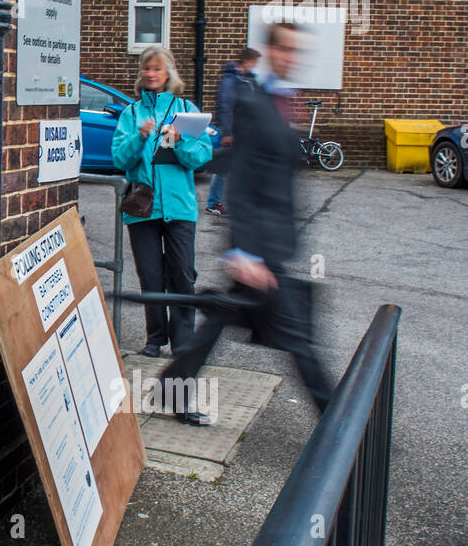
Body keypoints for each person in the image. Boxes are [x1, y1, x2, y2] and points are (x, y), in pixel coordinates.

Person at [157, 21, 334, 425]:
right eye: (285, 49)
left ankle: (171, 387)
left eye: (298, 50)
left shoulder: (283, 102)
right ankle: (341, 423)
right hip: (258, 251)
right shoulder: (255, 106)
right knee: (299, 341)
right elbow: (245, 180)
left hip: (270, 246)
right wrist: (242, 251)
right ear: (270, 52)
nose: (292, 57)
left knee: (222, 319)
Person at [111, 46, 214, 359]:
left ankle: (183, 343)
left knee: (182, 276)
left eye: (157, 68)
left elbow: (200, 157)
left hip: (180, 207)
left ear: (169, 72)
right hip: (142, 208)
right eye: (146, 68)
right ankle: (155, 339)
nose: (151, 73)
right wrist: (140, 137)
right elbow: (120, 159)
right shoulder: (131, 114)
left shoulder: (185, 110)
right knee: (151, 276)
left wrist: (179, 142)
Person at [205, 47, 260, 217]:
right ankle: (213, 203)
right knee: (223, 169)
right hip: (233, 132)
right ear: (247, 61)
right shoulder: (230, 79)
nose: (255, 66)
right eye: (254, 62)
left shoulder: (248, 79)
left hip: (246, 132)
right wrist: (227, 132)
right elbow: (225, 106)